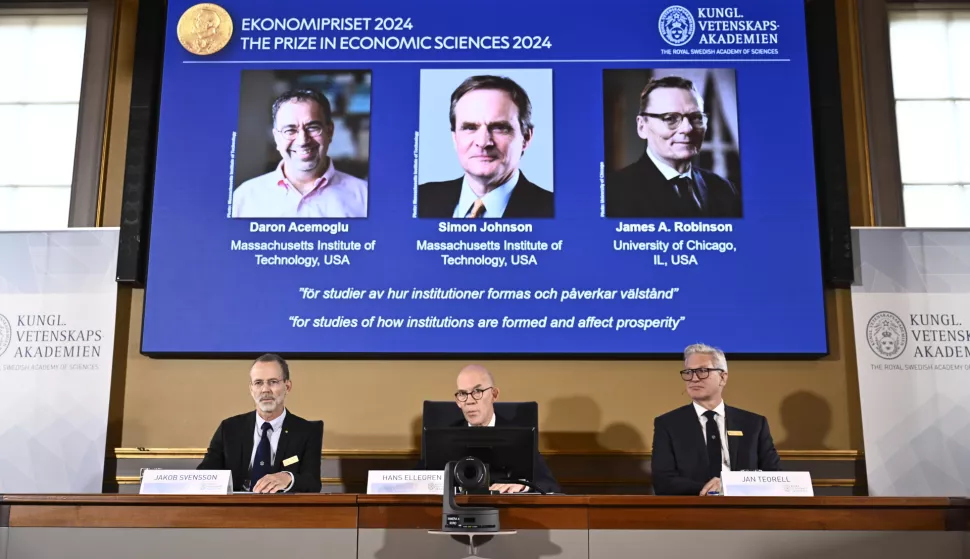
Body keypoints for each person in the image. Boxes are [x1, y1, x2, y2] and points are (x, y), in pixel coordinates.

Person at [651, 343, 781, 496]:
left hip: (745, 510)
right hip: (692, 510)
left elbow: (775, 476)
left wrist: (731, 486)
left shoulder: (753, 424)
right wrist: (710, 488)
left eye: (702, 371)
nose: (693, 378)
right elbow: (663, 481)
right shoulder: (668, 424)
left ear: (723, 377)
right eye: (688, 372)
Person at [418, 75, 553, 218]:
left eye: (499, 128)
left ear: (526, 137)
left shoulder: (554, 209)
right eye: (470, 128)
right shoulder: (419, 200)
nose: (483, 142)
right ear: (455, 138)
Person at [605, 76, 741, 218]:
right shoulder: (612, 192)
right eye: (670, 118)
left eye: (696, 118)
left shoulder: (725, 190)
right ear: (642, 126)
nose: (688, 128)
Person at [417, 364, 560, 493]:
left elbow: (549, 485)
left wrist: (525, 485)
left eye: (477, 391)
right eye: (462, 394)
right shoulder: (444, 439)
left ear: (494, 395)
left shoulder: (519, 437)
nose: (470, 401)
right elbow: (414, 480)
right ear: (458, 402)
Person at [232, 89, 368, 218]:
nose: (303, 140)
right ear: (276, 138)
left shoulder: (365, 196)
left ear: (330, 131)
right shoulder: (245, 197)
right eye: (290, 130)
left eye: (313, 128)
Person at [197, 353, 323, 493]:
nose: (265, 390)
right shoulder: (229, 429)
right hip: (235, 510)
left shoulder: (307, 431)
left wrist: (288, 478)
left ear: (287, 386)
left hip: (284, 511)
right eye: (258, 383)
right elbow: (205, 475)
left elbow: (312, 483)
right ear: (251, 389)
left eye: (273, 382)